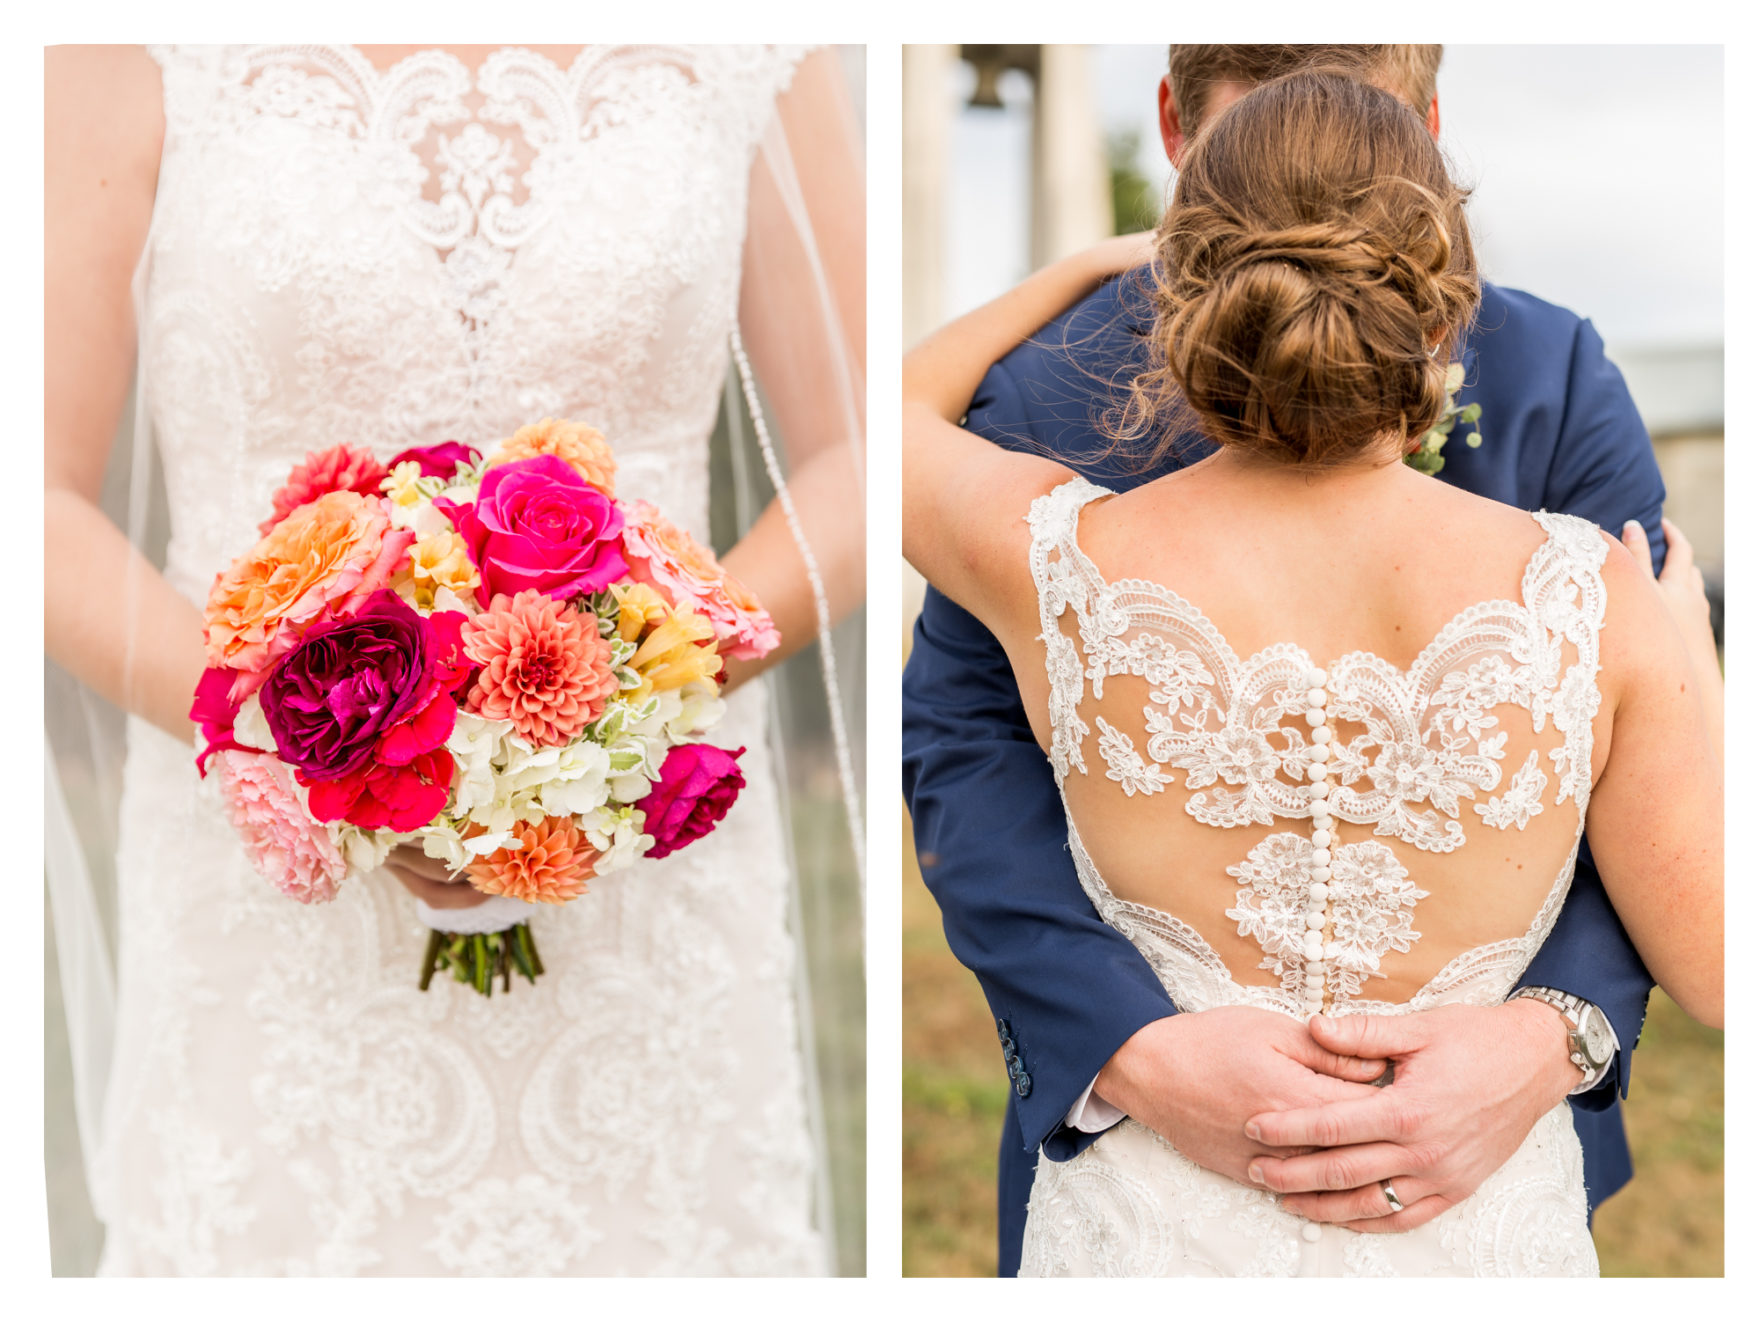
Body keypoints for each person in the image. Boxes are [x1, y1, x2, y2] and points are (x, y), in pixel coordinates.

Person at [45, 43, 864, 1275]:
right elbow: (33, 495)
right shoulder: (117, 38)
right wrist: (325, 749)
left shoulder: (754, 38)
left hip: (638, 864)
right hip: (268, 888)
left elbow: (859, 460)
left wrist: (619, 699)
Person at [902, 63, 1721, 1276]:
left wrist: (1072, 269)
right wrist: (1689, 652)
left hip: (1149, 1242)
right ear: (1444, 308)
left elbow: (889, 417)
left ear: (1185, 292)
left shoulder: (1051, 555)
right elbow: (1717, 971)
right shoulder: (1595, 596)